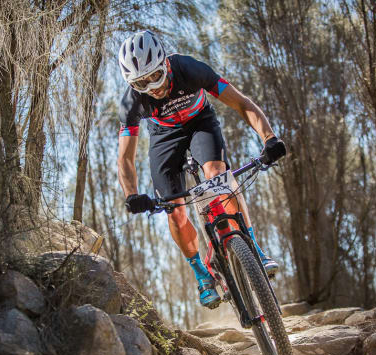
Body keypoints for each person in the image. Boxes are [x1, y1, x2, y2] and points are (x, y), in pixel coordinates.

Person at [117, 30, 286, 309]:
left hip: (200, 123)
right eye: (141, 83)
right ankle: (200, 272)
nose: (152, 88)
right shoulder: (131, 103)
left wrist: (269, 139)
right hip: (164, 137)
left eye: (155, 77)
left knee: (217, 174)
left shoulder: (189, 69)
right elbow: (125, 158)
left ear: (166, 64)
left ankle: (252, 246)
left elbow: (242, 103)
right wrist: (132, 194)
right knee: (175, 210)